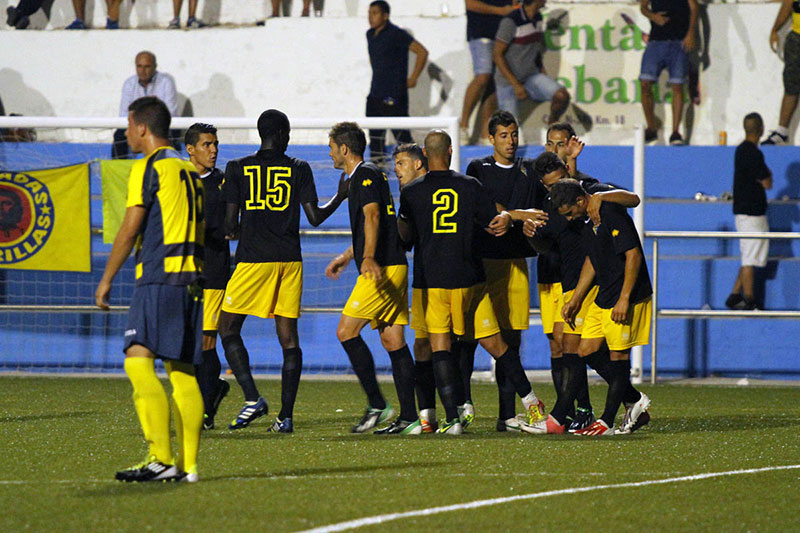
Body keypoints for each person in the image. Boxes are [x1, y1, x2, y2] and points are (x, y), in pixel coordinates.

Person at [399, 130, 545, 435]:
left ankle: (452, 418)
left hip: (433, 280)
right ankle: (532, 404)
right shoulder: (470, 185)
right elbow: (493, 223)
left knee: (439, 347)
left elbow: (406, 238)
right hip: (471, 278)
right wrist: (507, 220)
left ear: (424, 156)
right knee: (498, 345)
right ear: (450, 151)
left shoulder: (412, 192)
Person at [95, 96, 204, 482]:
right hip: (191, 282)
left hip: (159, 279)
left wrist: (107, 278)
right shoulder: (188, 169)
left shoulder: (151, 166)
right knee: (181, 372)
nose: (127, 133)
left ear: (142, 127)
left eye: (129, 125)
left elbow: (130, 227)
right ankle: (188, 466)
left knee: (137, 358)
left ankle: (160, 457)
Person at [219, 109, 349, 432]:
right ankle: (285, 417)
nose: (289, 138)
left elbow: (229, 227)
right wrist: (341, 196)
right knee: (289, 340)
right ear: (279, 134)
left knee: (227, 328)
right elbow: (316, 217)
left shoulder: (237, 168)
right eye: (287, 132)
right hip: (289, 261)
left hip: (253, 260)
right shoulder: (299, 169)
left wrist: (233, 226)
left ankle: (252, 397)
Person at [528, 151, 641, 433]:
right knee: (576, 347)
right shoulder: (555, 206)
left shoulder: (593, 193)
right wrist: (531, 234)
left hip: (601, 284)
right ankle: (626, 401)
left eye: (561, 180)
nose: (567, 218)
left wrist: (606, 197)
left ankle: (573, 415)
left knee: (584, 347)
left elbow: (634, 200)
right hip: (572, 281)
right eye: (551, 185)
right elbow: (552, 244)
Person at [324, 123, 419, 434]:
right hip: (392, 264)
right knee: (393, 341)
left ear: (344, 150)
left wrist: (366, 257)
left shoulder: (364, 176)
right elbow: (381, 227)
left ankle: (377, 403)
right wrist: (349, 255)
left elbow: (374, 216)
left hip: (381, 269)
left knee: (345, 332)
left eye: (332, 147)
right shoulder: (369, 175)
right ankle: (409, 418)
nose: (330, 152)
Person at [463, 110, 548, 432]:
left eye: (513, 134)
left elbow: (538, 213)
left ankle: (506, 415)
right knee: (469, 338)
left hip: (515, 264)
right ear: (491, 138)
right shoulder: (477, 169)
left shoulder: (528, 172)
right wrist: (515, 214)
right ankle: (462, 406)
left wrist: (512, 215)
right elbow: (482, 208)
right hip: (482, 263)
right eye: (503, 135)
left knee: (510, 343)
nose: (510, 141)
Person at [184, 123, 231, 430]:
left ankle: (203, 412)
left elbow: (231, 224)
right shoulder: (178, 178)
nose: (213, 150)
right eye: (206, 145)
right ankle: (212, 391)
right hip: (181, 271)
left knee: (206, 340)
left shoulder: (224, 182)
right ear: (190, 149)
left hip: (213, 269)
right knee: (186, 342)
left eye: (215, 144)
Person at [366, 1, 429, 165]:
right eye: (369, 13)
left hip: (395, 95)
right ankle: (376, 177)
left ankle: (417, 171)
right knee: (375, 141)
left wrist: (413, 77)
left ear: (385, 16)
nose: (370, 17)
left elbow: (422, 52)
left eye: (375, 13)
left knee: (403, 139)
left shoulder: (397, 34)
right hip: (375, 95)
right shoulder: (370, 35)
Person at [493, 0, 571, 126]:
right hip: (507, 81)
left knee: (561, 96)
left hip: (530, 76)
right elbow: (497, 54)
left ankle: (552, 126)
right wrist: (515, 84)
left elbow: (535, 48)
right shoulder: (511, 21)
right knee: (509, 129)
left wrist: (541, 69)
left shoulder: (538, 18)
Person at [726, 113, 772, 310]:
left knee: (749, 254)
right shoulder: (753, 153)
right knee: (749, 258)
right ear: (761, 129)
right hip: (751, 213)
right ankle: (750, 299)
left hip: (745, 211)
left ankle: (735, 295)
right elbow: (767, 182)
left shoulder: (741, 151)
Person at [638, 0, 698, 145]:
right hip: (656, 41)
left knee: (677, 86)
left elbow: (694, 8)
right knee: (645, 83)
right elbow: (643, 7)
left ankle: (676, 132)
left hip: (678, 41)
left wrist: (691, 33)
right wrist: (653, 17)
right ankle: (651, 127)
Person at [460, 0, 519, 144]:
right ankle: (463, 125)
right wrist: (500, 11)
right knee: (483, 75)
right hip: (481, 33)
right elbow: (469, 4)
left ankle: (485, 134)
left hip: (502, 35)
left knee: (493, 84)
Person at [114, 52, 179, 159]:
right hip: (138, 124)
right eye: (139, 66)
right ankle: (119, 169)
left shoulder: (166, 82)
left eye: (147, 66)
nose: (143, 71)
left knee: (172, 132)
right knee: (119, 135)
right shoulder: (129, 83)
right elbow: (123, 114)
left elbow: (170, 112)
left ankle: (170, 160)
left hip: (159, 125)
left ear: (155, 66)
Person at [763, 0, 800, 144]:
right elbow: (789, 4)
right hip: (797, 37)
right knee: (791, 85)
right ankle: (782, 131)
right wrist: (775, 29)